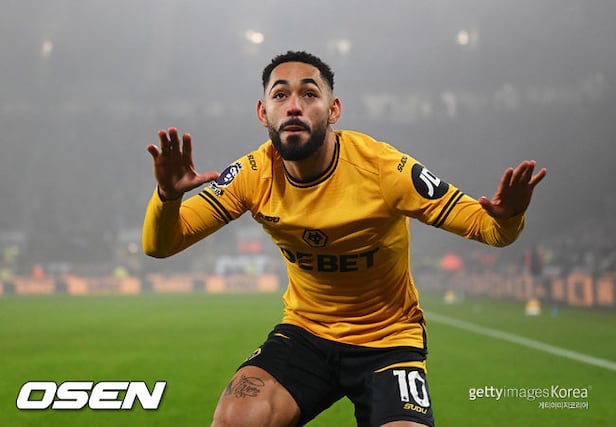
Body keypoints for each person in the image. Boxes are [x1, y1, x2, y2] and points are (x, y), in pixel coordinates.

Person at [142, 51, 546, 427]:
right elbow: (161, 245)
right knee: (236, 419)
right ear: (264, 112)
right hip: (306, 333)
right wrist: (168, 197)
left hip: (388, 340)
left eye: (309, 93)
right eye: (280, 95)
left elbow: (488, 229)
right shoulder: (252, 174)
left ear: (333, 109)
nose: (294, 105)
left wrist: (509, 217)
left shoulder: (384, 169)